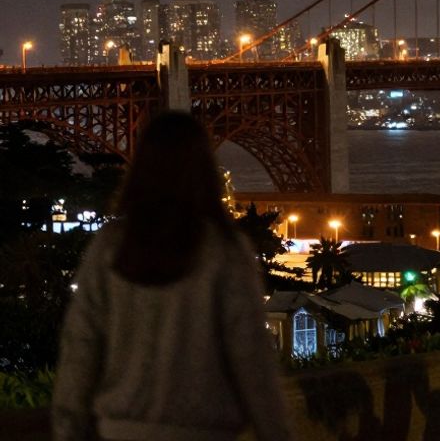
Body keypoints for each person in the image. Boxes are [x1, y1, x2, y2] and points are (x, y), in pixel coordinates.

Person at [51, 111, 292, 441]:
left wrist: (68, 431)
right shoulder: (224, 249)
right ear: (204, 170)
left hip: (120, 432)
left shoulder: (110, 246)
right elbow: (252, 357)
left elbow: (80, 347)